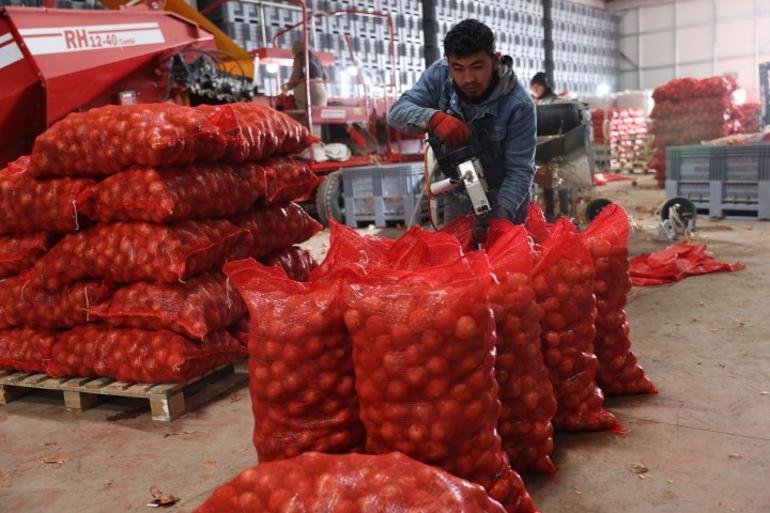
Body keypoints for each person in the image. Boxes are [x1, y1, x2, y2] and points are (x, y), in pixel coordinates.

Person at [389, 19, 536, 229]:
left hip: (508, 198)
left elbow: (520, 172)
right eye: (458, 68)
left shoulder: (519, 105)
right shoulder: (439, 75)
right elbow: (396, 112)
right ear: (447, 62)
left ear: (495, 60)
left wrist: (498, 221)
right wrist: (434, 119)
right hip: (458, 197)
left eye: (477, 67)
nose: (468, 78)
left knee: (505, 254)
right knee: (458, 258)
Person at [283, 40, 328, 117]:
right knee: (317, 120)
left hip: (309, 92)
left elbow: (295, 77)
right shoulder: (317, 59)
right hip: (322, 93)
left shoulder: (299, 58)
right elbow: (326, 77)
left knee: (302, 118)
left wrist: (286, 87)